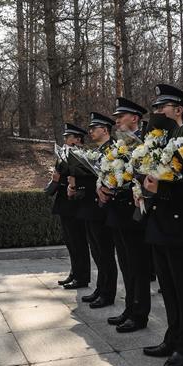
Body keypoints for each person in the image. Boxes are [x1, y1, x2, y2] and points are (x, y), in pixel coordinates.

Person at [142, 84, 183, 366]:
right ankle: (171, 338)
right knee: (167, 288)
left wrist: (161, 187)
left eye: (161, 107)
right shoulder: (157, 141)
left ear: (178, 110)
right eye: (155, 108)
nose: (156, 112)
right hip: (159, 222)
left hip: (180, 224)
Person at [101, 98, 152, 332]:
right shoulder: (118, 144)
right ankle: (130, 307)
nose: (117, 121)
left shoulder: (147, 141)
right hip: (118, 211)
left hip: (135, 213)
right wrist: (101, 185)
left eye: (121, 116)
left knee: (138, 266)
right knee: (125, 264)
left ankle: (140, 313)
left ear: (135, 118)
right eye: (116, 117)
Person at [72, 112, 118, 309]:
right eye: (90, 128)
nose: (90, 131)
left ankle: (108, 293)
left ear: (105, 130)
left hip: (103, 209)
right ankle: (101, 288)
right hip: (93, 207)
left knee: (105, 253)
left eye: (94, 128)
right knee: (97, 252)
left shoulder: (113, 150)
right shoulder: (99, 150)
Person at [51, 123, 91, 290]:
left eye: (68, 137)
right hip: (64, 203)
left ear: (77, 139)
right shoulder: (65, 155)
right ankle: (74, 273)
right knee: (70, 242)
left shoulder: (81, 156)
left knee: (78, 242)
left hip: (74, 205)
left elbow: (81, 178)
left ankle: (82, 277)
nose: (65, 140)